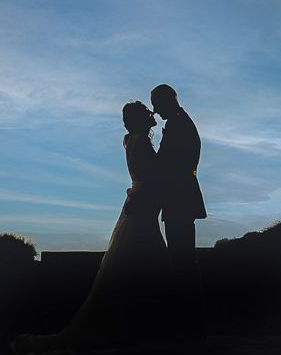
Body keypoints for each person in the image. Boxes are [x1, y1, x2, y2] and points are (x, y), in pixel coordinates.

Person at [12, 101, 170, 354]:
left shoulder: (131, 140)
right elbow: (153, 177)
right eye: (146, 113)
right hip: (142, 204)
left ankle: (136, 327)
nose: (151, 114)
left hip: (138, 201)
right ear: (140, 118)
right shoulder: (140, 142)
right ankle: (142, 327)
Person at [150, 84, 207, 343]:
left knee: (182, 259)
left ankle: (190, 324)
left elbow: (169, 164)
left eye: (157, 103)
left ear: (168, 100)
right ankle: (190, 322)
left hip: (179, 199)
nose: (154, 109)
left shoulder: (179, 125)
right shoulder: (179, 123)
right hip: (179, 199)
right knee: (182, 258)